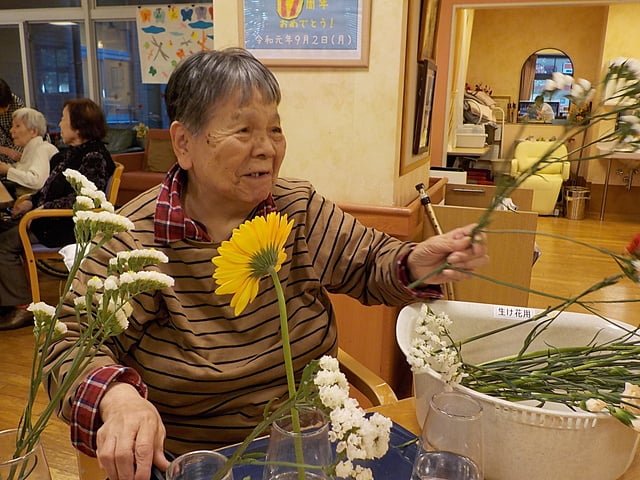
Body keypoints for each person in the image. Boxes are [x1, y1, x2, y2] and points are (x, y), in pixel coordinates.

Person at [45, 48, 489, 480]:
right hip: (196, 461)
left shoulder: (297, 209)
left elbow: (371, 262)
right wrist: (118, 398)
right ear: (184, 143)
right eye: (243, 131)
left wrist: (415, 262)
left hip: (310, 446)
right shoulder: (133, 239)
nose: (267, 149)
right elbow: (65, 346)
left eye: (274, 130)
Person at [0, 98, 115, 329]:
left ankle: (22, 306)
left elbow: (88, 197)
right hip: (47, 219)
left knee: (3, 242)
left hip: (63, 225)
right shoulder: (69, 153)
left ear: (79, 126)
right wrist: (31, 202)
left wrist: (44, 209)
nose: (60, 124)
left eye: (64, 119)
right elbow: (47, 189)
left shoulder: (94, 155)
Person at [0, 107, 57, 198]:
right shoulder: (31, 149)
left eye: (17, 126)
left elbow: (36, 181)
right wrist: (6, 168)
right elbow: (22, 169)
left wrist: (8, 170)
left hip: (32, 205)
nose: (11, 130)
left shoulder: (42, 149)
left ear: (33, 132)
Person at [0, 78, 26, 164]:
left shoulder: (17, 105)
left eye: (7, 106)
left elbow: (25, 133)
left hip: (18, 153)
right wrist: (6, 151)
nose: (4, 111)